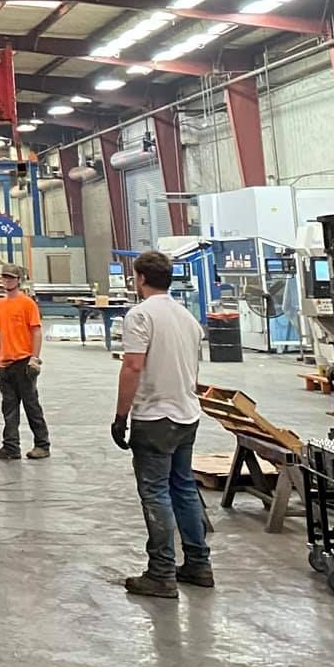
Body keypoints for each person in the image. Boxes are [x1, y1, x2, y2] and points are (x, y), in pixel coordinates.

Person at [111, 250, 210, 597]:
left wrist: (121, 416)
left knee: (155, 492)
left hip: (155, 417)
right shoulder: (187, 317)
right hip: (187, 414)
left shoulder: (140, 316)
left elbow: (133, 366)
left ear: (140, 279)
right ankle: (198, 564)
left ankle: (161, 573)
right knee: (183, 488)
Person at [0, 265, 50, 460]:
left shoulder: (27, 304)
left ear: (19, 280)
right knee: (9, 408)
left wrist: (34, 358)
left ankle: (42, 445)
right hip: (5, 365)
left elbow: (36, 331)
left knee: (31, 405)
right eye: (5, 277)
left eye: (11, 277)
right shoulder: (0, 305)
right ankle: (11, 447)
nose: (7, 281)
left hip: (23, 362)